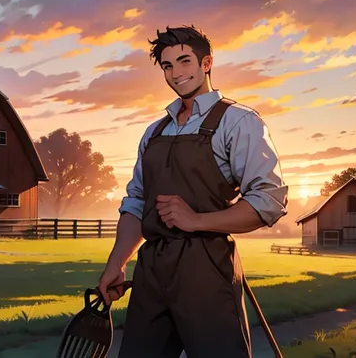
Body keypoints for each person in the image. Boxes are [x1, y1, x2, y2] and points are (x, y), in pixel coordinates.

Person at [97, 25, 289, 358]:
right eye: (168, 66)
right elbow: (136, 202)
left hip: (206, 267)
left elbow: (268, 200)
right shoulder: (155, 132)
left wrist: (196, 220)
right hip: (152, 270)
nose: (176, 73)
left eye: (184, 61)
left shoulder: (239, 122)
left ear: (207, 63)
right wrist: (117, 262)